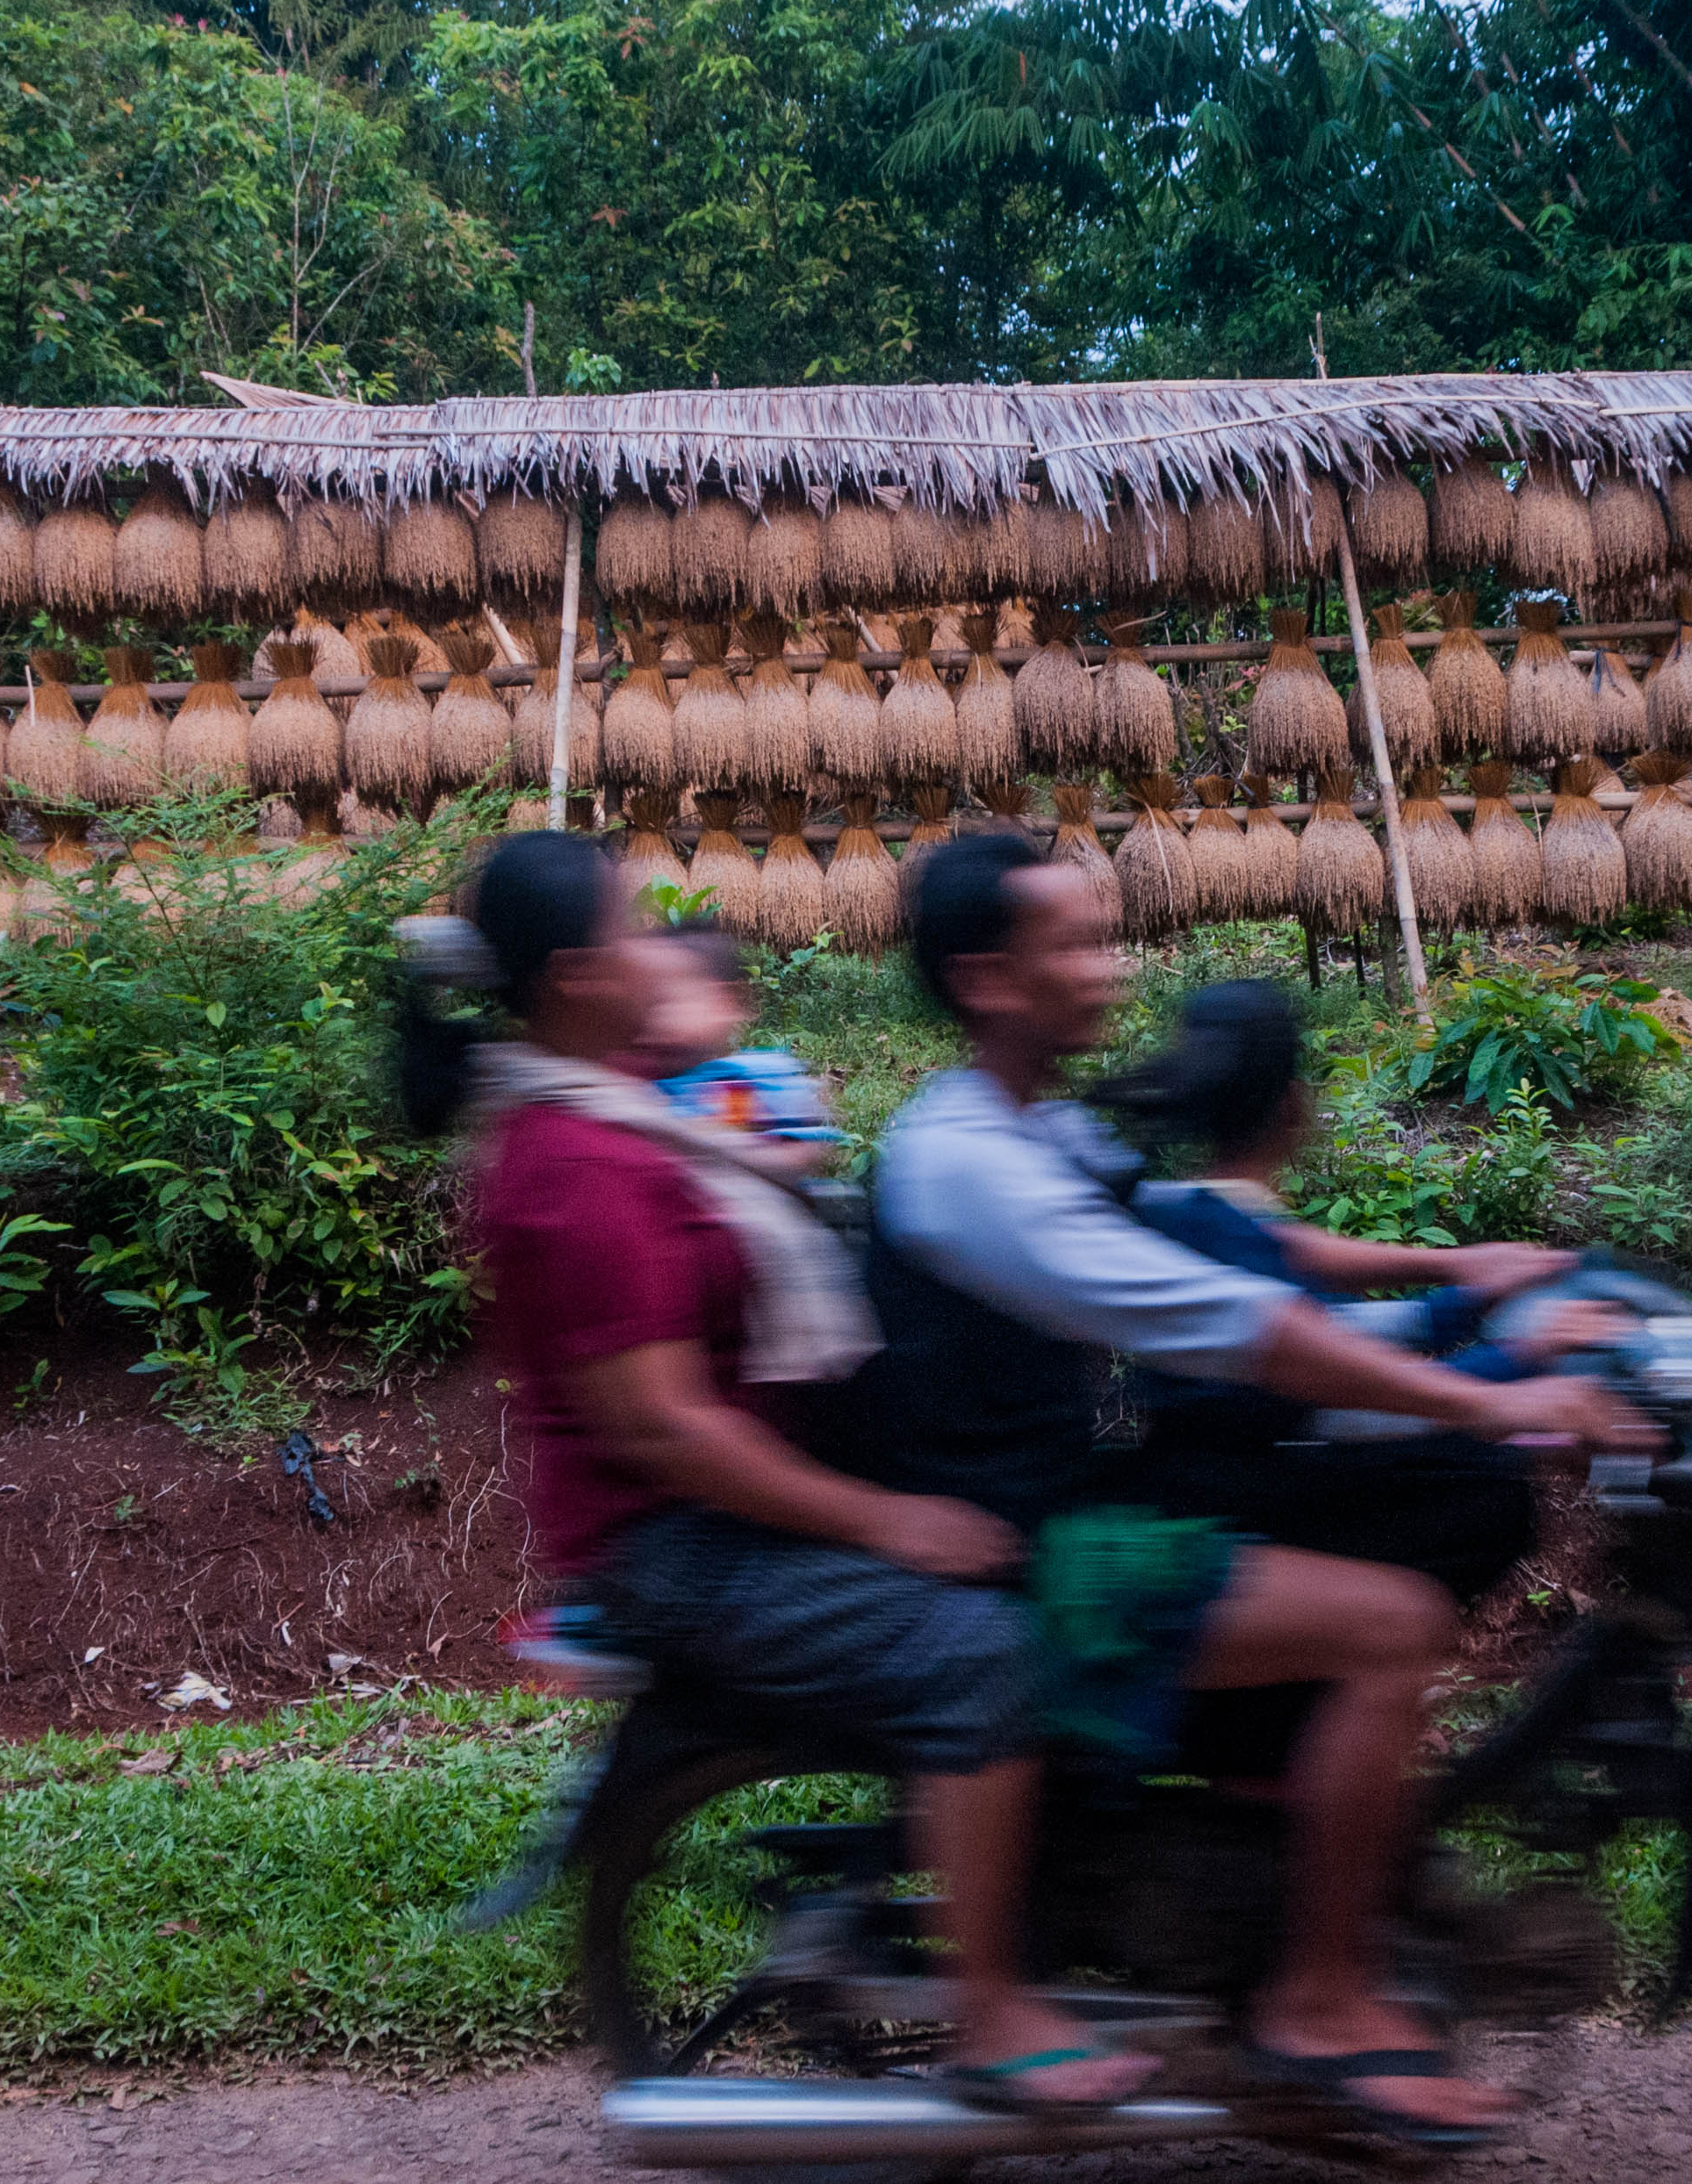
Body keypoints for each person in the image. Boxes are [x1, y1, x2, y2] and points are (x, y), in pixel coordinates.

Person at [809, 831, 1652, 2144]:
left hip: (1088, 1495)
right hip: (1049, 1545)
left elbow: (1243, 1243)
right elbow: (1232, 1319)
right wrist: (1490, 1390)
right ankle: (1312, 2001)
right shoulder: (965, 1162)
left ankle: (1280, 1904)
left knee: (1435, 1500)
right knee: (1389, 1625)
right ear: (985, 979)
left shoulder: (1040, 1126)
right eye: (1074, 947)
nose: (1107, 970)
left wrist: (1457, 1266)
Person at [403, 832, 1154, 2111]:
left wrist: (692, 998)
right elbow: (664, 1430)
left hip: (739, 1501)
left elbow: (712, 1037)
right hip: (682, 1544)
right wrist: (887, 1521)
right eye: (640, 929)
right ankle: (989, 2016)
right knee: (979, 1648)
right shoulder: (571, 1170)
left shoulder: (608, 1087)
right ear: (579, 973)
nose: (671, 946)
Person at [1091, 976, 1634, 1607]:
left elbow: (1330, 1334)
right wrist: (1517, 1358)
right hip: (1231, 1505)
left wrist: (1460, 1298)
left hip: (1206, 1481)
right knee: (1484, 1491)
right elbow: (1345, 1402)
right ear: (1294, 1103)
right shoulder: (1228, 1231)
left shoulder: (1185, 1207)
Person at [618, 916, 842, 1178]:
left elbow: (806, 1153)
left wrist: (717, 1149)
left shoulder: (765, 1077)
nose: (655, 1018)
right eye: (645, 1006)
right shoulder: (649, 1088)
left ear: (727, 1002)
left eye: (667, 1002)